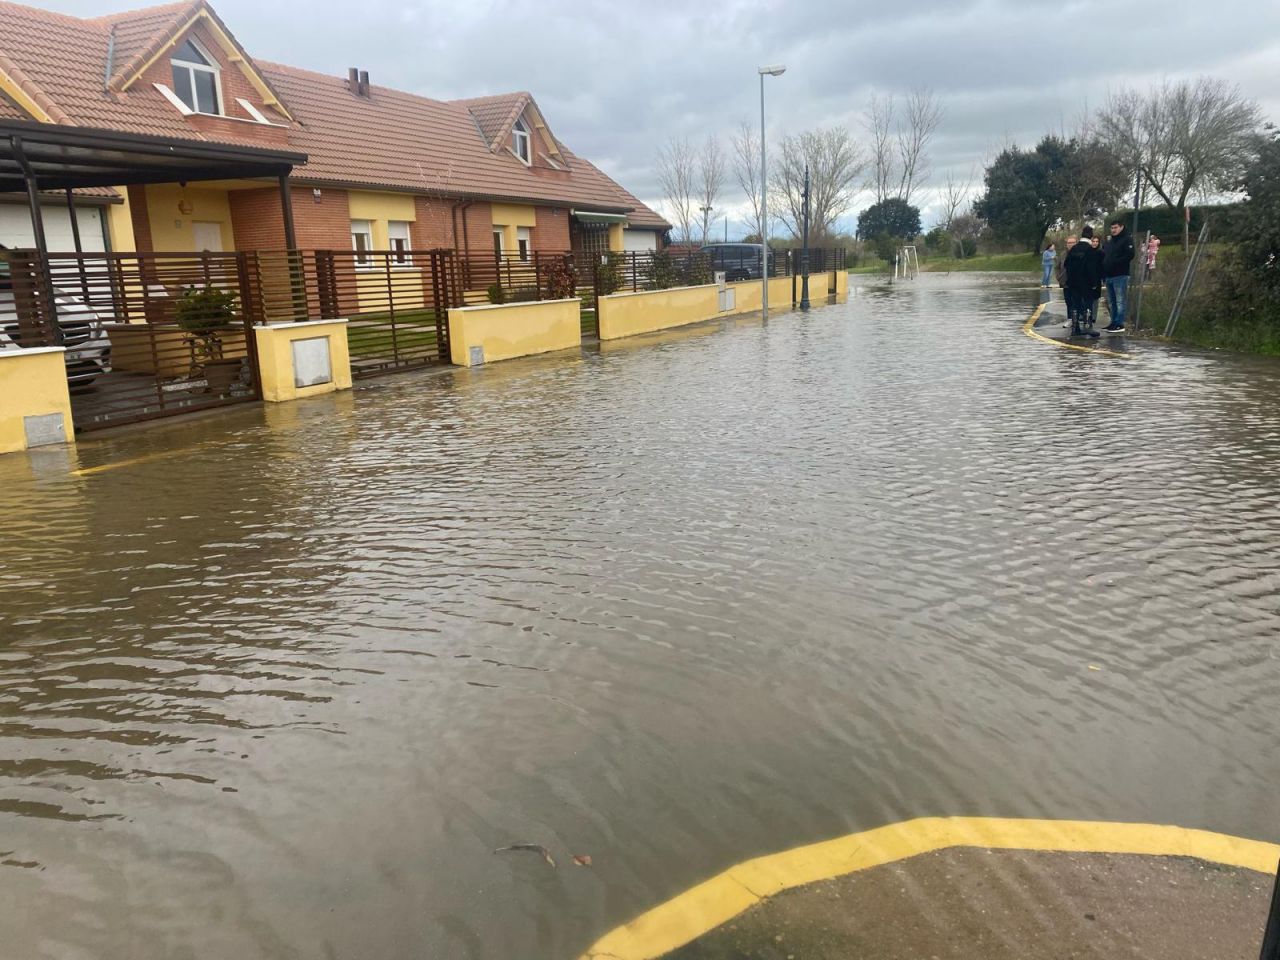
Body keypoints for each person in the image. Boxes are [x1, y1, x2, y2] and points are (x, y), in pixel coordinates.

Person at [1063, 226, 1102, 338]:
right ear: (1091, 235)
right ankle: (1088, 326)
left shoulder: (1074, 249)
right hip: (1086, 282)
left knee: (1075, 304)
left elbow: (1066, 264)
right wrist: (1094, 282)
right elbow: (1091, 268)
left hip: (1073, 282)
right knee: (1088, 303)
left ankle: (1075, 328)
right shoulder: (1090, 250)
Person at [1101, 219, 1135, 333]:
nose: (1113, 230)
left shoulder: (1127, 240)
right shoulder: (1109, 242)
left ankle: (1119, 323)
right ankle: (1113, 322)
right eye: (1112, 228)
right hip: (1109, 275)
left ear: (1121, 227)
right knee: (1112, 301)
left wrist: (1115, 262)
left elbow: (1130, 255)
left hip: (1120, 274)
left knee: (1120, 300)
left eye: (1115, 227)